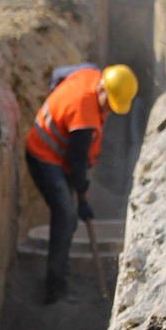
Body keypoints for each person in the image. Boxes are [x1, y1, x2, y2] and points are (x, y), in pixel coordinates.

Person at [25, 63, 138, 304]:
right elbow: (77, 166)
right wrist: (82, 198)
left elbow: (57, 75)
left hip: (57, 152)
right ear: (102, 91)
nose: (109, 111)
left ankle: (61, 269)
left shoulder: (92, 73)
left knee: (68, 218)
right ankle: (54, 290)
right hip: (44, 155)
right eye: (110, 105)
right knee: (66, 216)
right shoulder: (85, 115)